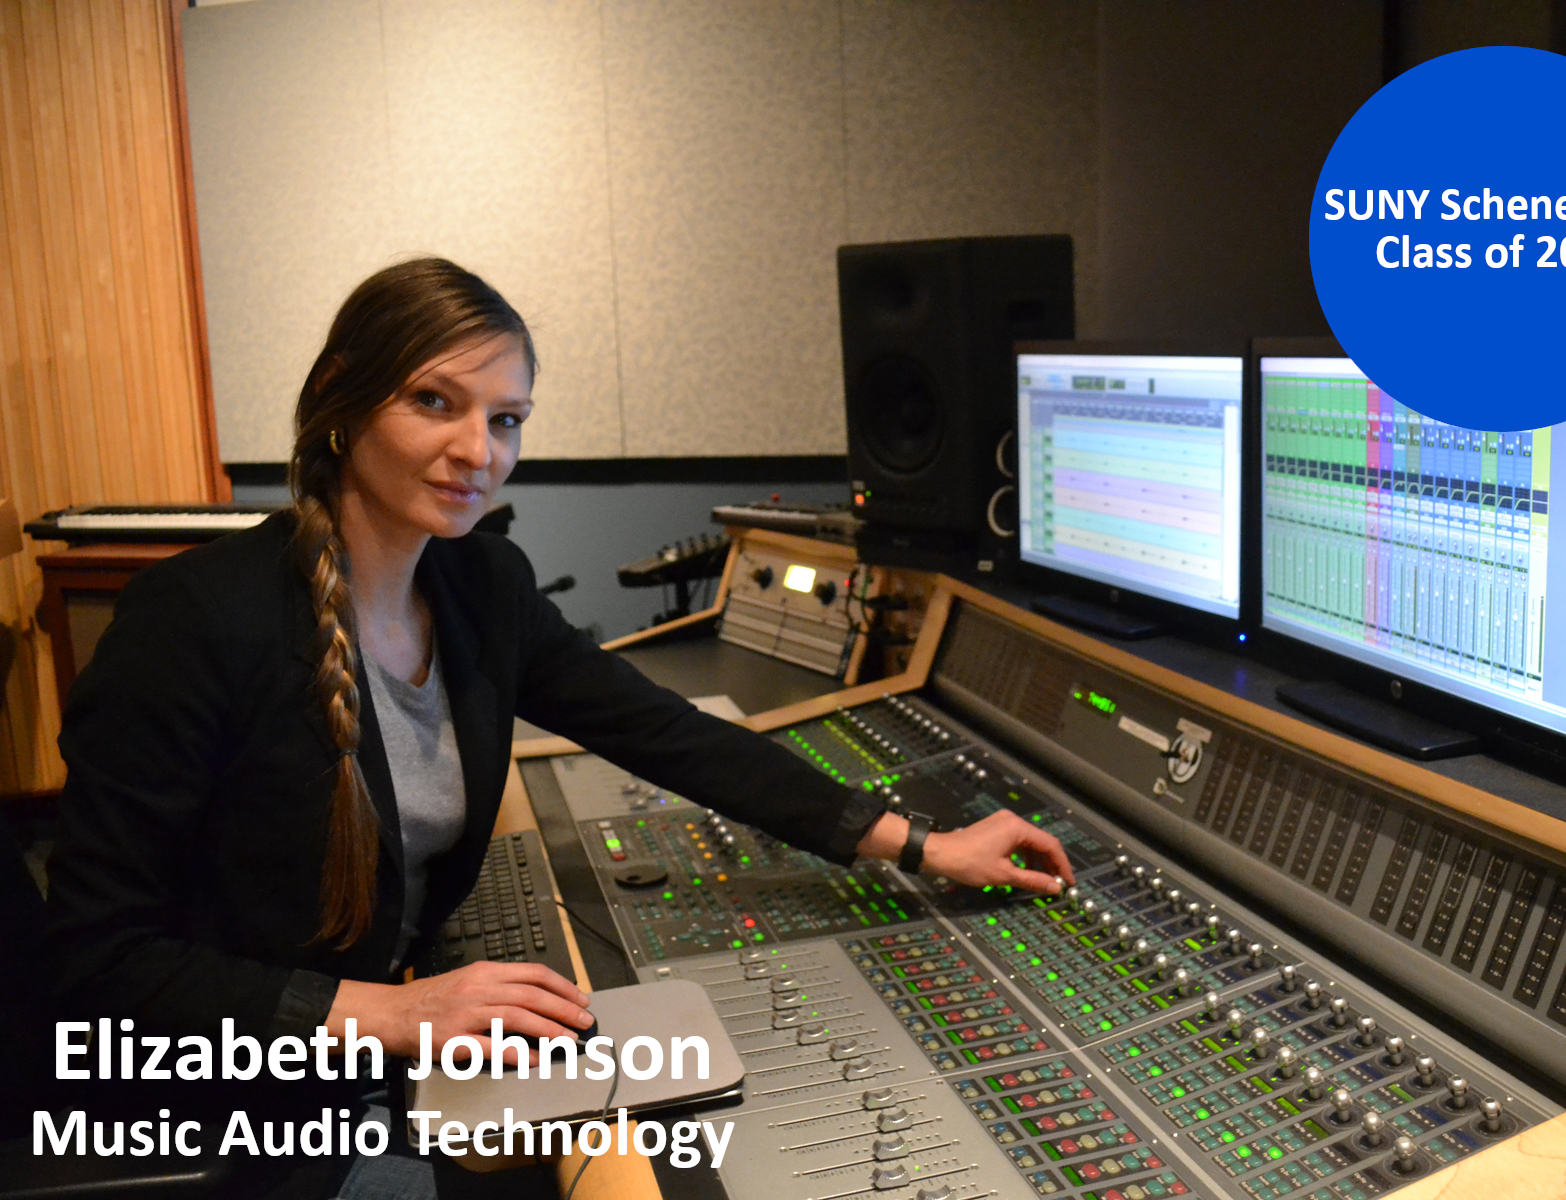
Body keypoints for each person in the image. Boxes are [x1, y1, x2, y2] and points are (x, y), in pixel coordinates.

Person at [45, 258, 1073, 1199]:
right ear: (342, 405)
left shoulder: (482, 584)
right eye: (434, 402)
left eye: (506, 420)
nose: (474, 451)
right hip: (249, 1112)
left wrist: (921, 843)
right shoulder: (194, 620)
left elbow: (671, 736)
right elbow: (98, 960)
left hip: (389, 1069)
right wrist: (391, 1015)